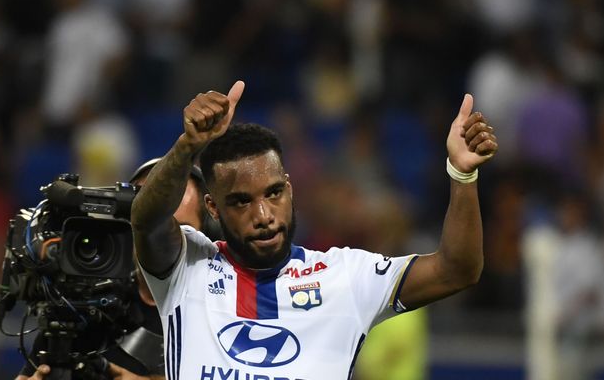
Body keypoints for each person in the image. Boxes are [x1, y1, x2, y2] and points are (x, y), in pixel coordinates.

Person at [132, 80, 497, 379]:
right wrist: (187, 146)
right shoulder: (187, 267)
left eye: (273, 193)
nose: (263, 215)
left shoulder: (345, 277)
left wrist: (462, 174)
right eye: (242, 201)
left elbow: (458, 270)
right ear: (212, 207)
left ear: (289, 189)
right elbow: (145, 219)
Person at [17, 159, 220, 380]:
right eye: (146, 226)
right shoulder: (84, 308)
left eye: (177, 230)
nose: (156, 239)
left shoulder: (225, 313)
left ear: (207, 235)